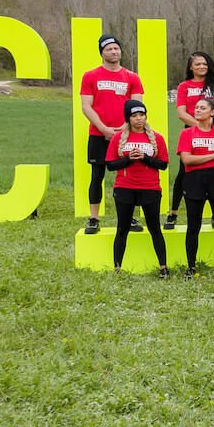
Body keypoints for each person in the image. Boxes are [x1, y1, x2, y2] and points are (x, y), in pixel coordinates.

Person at [80, 33, 144, 235]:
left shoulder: (132, 77)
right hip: (99, 134)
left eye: (116, 48)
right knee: (97, 175)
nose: (114, 52)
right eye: (109, 49)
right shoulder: (90, 76)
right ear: (102, 52)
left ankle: (129, 217)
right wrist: (104, 129)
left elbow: (137, 106)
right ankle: (93, 218)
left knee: (128, 175)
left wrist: (124, 129)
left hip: (125, 134)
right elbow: (86, 106)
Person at [105, 98, 169, 276]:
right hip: (125, 188)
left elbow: (163, 165)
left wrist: (144, 158)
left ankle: (163, 267)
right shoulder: (118, 138)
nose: (139, 119)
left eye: (142, 115)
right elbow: (110, 165)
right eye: (135, 115)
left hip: (150, 188)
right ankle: (117, 267)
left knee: (154, 227)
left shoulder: (156, 138)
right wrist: (128, 159)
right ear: (128, 118)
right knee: (122, 228)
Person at [165, 51, 214, 231]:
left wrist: (210, 126)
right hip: (192, 131)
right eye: (198, 64)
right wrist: (199, 126)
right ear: (190, 67)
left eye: (205, 64)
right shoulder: (184, 86)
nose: (202, 67)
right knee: (183, 173)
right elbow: (181, 113)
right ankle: (173, 212)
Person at [176, 92, 214, 276]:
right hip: (195, 180)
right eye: (196, 107)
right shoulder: (187, 133)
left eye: (202, 108)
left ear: (212, 112)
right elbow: (187, 159)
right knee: (194, 225)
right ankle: (191, 266)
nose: (197, 110)